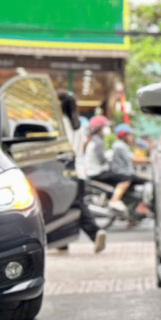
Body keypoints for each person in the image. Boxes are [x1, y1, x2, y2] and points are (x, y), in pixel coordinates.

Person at [57, 90, 106, 254]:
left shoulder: (59, 124)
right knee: (73, 205)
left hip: (65, 172)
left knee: (73, 206)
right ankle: (62, 241)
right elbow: (81, 149)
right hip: (80, 171)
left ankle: (95, 232)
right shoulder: (78, 125)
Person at [85, 115, 131, 217]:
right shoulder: (98, 141)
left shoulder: (94, 140)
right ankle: (115, 200)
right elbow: (102, 160)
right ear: (99, 128)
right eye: (105, 126)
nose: (107, 129)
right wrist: (109, 156)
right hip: (97, 173)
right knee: (126, 178)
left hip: (93, 172)